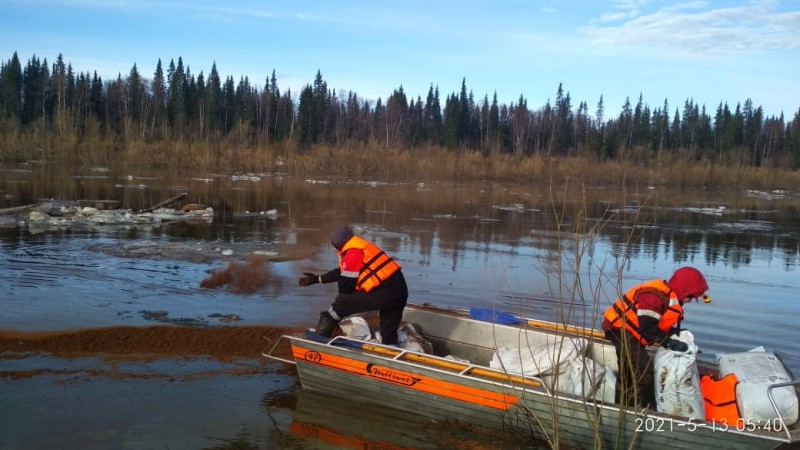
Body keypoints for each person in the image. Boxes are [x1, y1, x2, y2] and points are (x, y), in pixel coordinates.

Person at [601, 266, 709, 409]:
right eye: (690, 296)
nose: (689, 301)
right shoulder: (654, 297)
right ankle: (649, 409)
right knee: (644, 371)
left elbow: (656, 323)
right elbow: (647, 327)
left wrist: (672, 334)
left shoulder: (668, 296)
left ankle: (622, 406)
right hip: (620, 330)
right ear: (683, 289)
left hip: (630, 331)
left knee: (627, 370)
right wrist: (669, 343)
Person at [298, 225, 409, 346]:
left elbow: (346, 286)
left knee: (343, 301)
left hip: (385, 292)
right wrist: (317, 279)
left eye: (335, 247)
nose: (336, 251)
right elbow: (342, 271)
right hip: (399, 292)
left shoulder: (353, 253)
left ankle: (321, 335)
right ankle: (391, 352)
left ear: (340, 245)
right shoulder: (360, 248)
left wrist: (344, 301)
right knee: (389, 333)